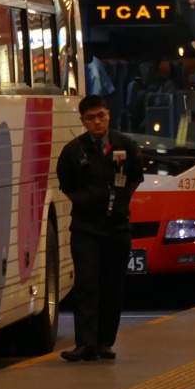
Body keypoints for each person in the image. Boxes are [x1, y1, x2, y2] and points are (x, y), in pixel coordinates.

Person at [56, 95, 145, 362]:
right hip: (85, 228)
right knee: (87, 282)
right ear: (82, 121)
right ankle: (85, 344)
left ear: (108, 114)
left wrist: (118, 204)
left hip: (117, 227)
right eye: (90, 118)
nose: (97, 122)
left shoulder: (126, 145)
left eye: (101, 116)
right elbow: (67, 185)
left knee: (112, 284)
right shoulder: (74, 150)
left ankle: (105, 342)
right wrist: (87, 203)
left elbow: (134, 179)